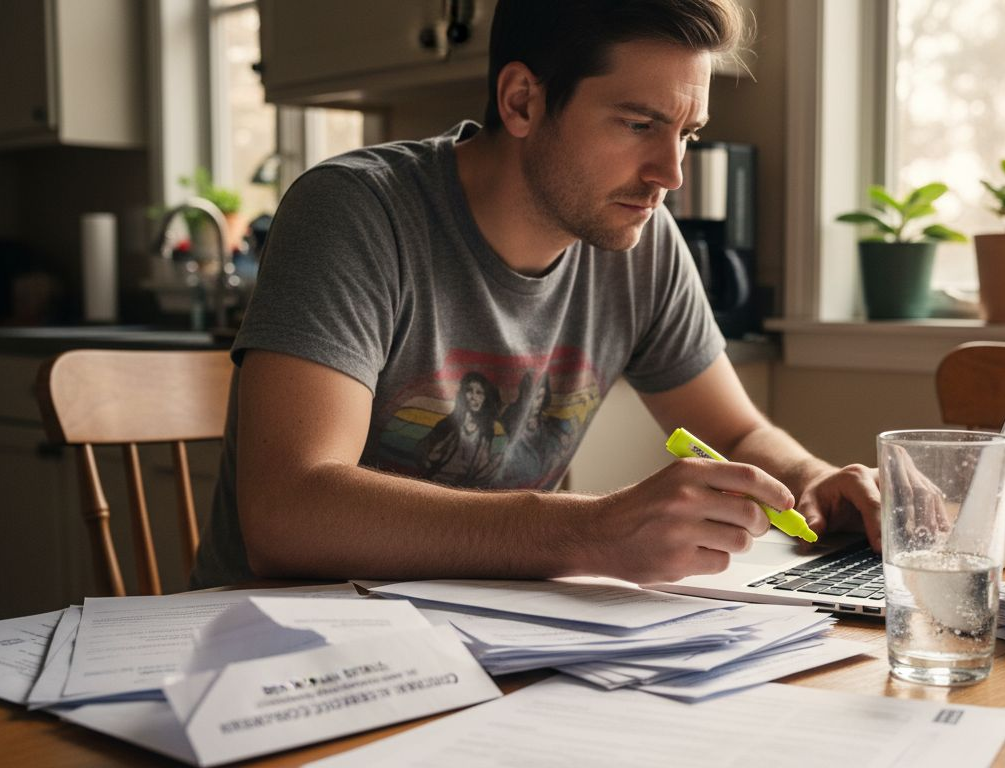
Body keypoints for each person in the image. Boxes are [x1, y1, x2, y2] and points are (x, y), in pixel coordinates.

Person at [190, 0, 881, 589]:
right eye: (640, 124)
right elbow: (288, 512)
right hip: (289, 652)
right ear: (522, 101)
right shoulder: (356, 213)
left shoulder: (640, 241)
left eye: (687, 133)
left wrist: (813, 482)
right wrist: (592, 531)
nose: (670, 173)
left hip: (500, 644)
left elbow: (735, 433)